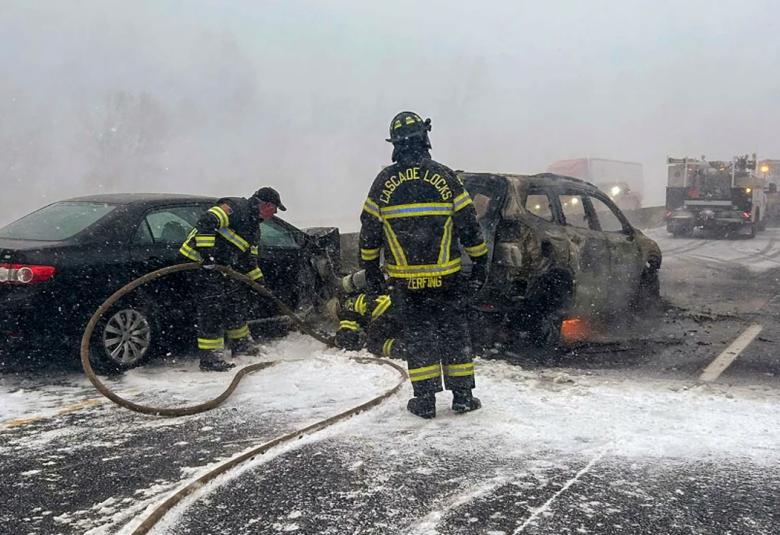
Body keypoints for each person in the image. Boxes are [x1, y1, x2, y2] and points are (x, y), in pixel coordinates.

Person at [358, 111, 489, 418]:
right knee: (454, 333)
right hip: (447, 278)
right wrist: (480, 261)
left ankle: (425, 400)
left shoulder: (383, 182)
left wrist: (371, 270)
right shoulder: (445, 176)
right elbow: (468, 225)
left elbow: (370, 232)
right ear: (424, 139)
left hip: (406, 281)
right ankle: (463, 397)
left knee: (419, 337)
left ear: (395, 144)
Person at [179, 187, 286, 371]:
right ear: (267, 205)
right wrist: (207, 255)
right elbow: (207, 221)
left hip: (220, 269)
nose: (275, 213)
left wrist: (259, 283)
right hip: (196, 263)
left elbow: (248, 260)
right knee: (212, 307)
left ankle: (241, 345)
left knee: (235, 301)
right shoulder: (236, 208)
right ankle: (210, 358)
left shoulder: (254, 229)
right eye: (275, 208)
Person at [335, 270, 402, 358]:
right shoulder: (364, 292)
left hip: (387, 313)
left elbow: (347, 338)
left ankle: (406, 350)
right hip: (398, 303)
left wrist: (338, 340)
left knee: (374, 344)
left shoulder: (347, 310)